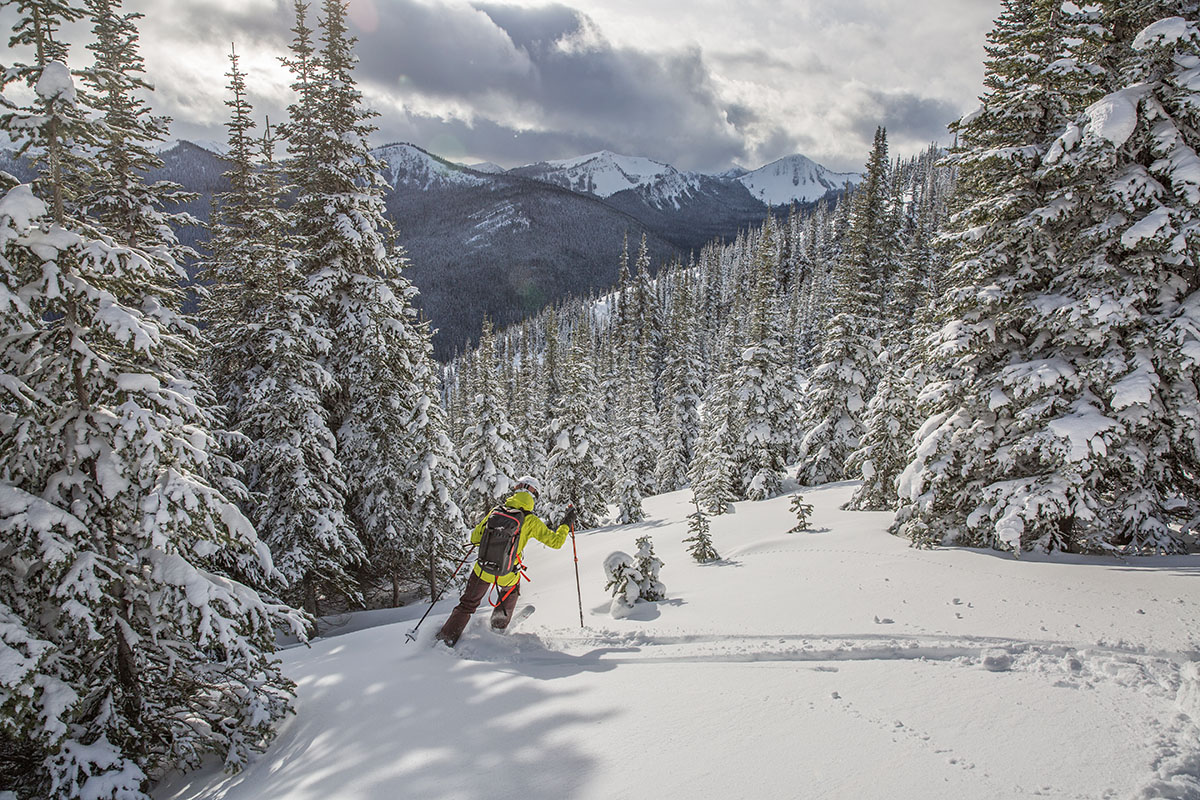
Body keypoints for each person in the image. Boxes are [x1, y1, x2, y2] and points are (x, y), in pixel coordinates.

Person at [434, 476, 576, 647]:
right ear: (533, 495)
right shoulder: (530, 520)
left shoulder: (496, 511)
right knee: (512, 590)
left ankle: (446, 638)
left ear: (516, 490)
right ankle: (498, 626)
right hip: (507, 572)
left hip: (483, 569)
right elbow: (556, 542)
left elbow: (475, 537)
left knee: (467, 604)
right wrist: (566, 523)